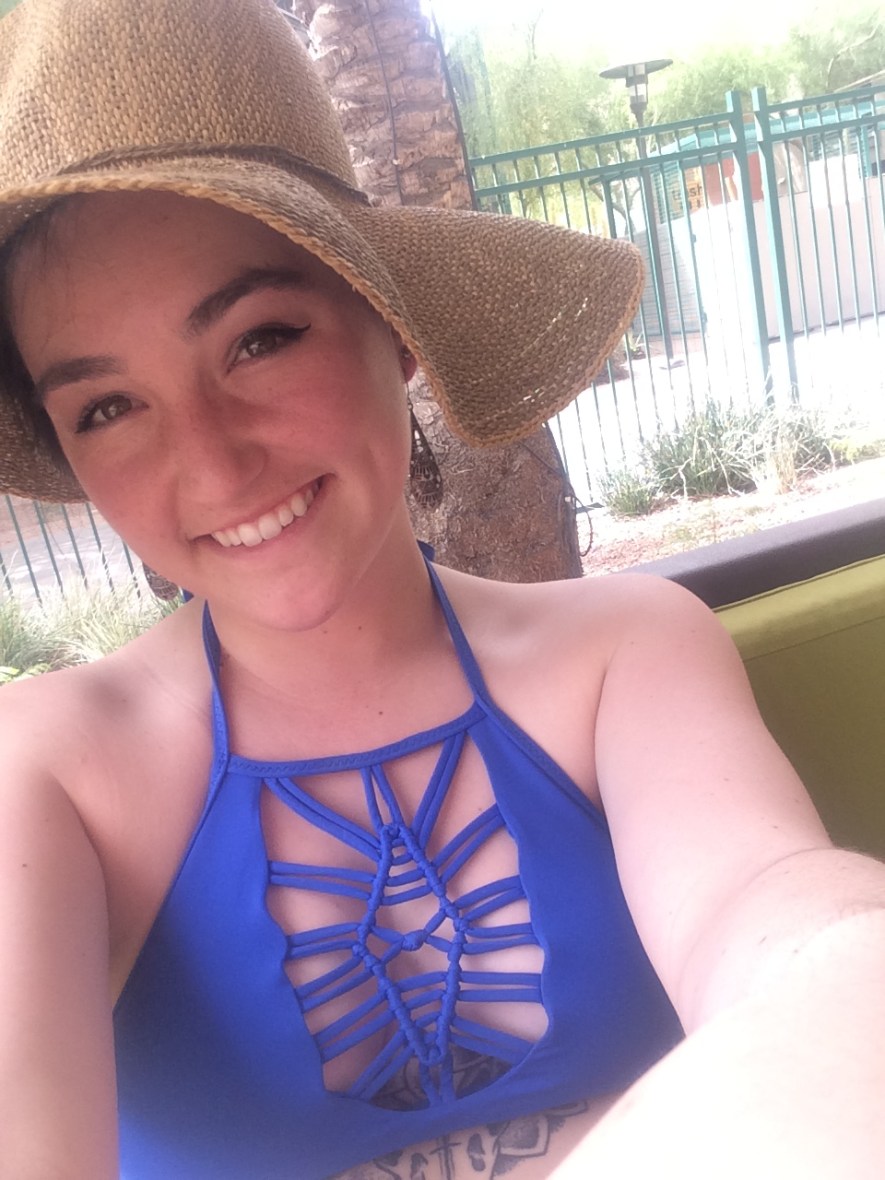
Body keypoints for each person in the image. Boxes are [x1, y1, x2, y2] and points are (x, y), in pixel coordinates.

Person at [0, 1, 883, 1178]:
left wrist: (842, 968)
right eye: (108, 407)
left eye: (261, 339)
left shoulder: (625, 655)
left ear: (395, 325)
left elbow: (767, 904)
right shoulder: (45, 770)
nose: (211, 466)